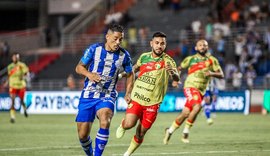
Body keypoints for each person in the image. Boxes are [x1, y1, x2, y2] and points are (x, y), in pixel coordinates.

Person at [115, 32, 180, 156]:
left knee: (140, 133)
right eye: (157, 43)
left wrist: (172, 73)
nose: (159, 46)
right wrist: (121, 75)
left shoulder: (168, 61)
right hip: (137, 97)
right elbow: (134, 69)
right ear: (151, 43)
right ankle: (123, 125)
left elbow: (176, 78)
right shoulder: (144, 57)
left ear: (165, 45)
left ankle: (127, 154)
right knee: (129, 124)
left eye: (162, 43)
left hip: (153, 103)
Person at [75, 24, 134, 156]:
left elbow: (130, 74)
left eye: (121, 39)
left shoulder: (124, 55)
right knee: (83, 135)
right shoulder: (94, 49)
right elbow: (79, 67)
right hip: (88, 95)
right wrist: (89, 75)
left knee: (105, 117)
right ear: (107, 37)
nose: (118, 42)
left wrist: (128, 92)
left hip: (108, 95)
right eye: (115, 38)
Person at [163, 39, 224, 144]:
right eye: (200, 45)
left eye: (205, 45)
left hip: (201, 91)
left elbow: (221, 75)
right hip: (190, 87)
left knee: (185, 113)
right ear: (196, 48)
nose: (202, 47)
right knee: (198, 106)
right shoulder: (190, 59)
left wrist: (211, 73)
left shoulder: (212, 60)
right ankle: (186, 132)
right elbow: (179, 68)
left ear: (207, 47)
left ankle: (170, 130)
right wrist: (176, 79)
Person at [7, 53, 29, 123]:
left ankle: (25, 109)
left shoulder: (22, 65)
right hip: (12, 85)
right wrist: (7, 83)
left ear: (17, 58)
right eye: (13, 57)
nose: (14, 58)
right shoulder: (10, 67)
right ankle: (12, 117)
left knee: (21, 101)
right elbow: (9, 76)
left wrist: (23, 77)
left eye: (15, 57)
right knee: (12, 101)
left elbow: (27, 74)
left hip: (21, 85)